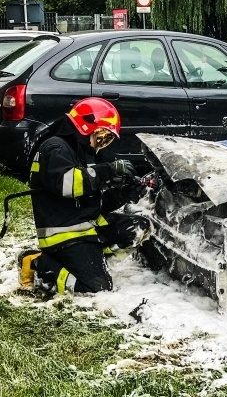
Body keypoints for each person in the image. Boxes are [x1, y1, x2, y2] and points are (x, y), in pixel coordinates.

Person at [18, 97, 143, 296]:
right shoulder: (55, 148)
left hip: (84, 224)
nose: (104, 144)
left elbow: (93, 201)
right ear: (86, 127)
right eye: (103, 136)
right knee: (96, 289)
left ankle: (90, 262)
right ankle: (37, 262)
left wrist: (124, 194)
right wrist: (107, 170)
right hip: (64, 233)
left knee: (137, 228)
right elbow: (68, 185)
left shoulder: (81, 151)